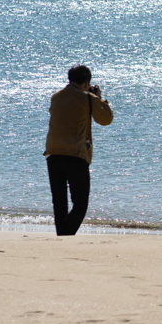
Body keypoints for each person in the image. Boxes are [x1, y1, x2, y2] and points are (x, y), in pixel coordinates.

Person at [43, 65, 114, 236]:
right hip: (76, 155)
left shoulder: (56, 97)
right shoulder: (87, 98)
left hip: (53, 154)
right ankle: (66, 235)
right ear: (86, 82)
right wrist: (98, 98)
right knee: (80, 203)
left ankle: (62, 236)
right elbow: (106, 119)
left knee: (59, 204)